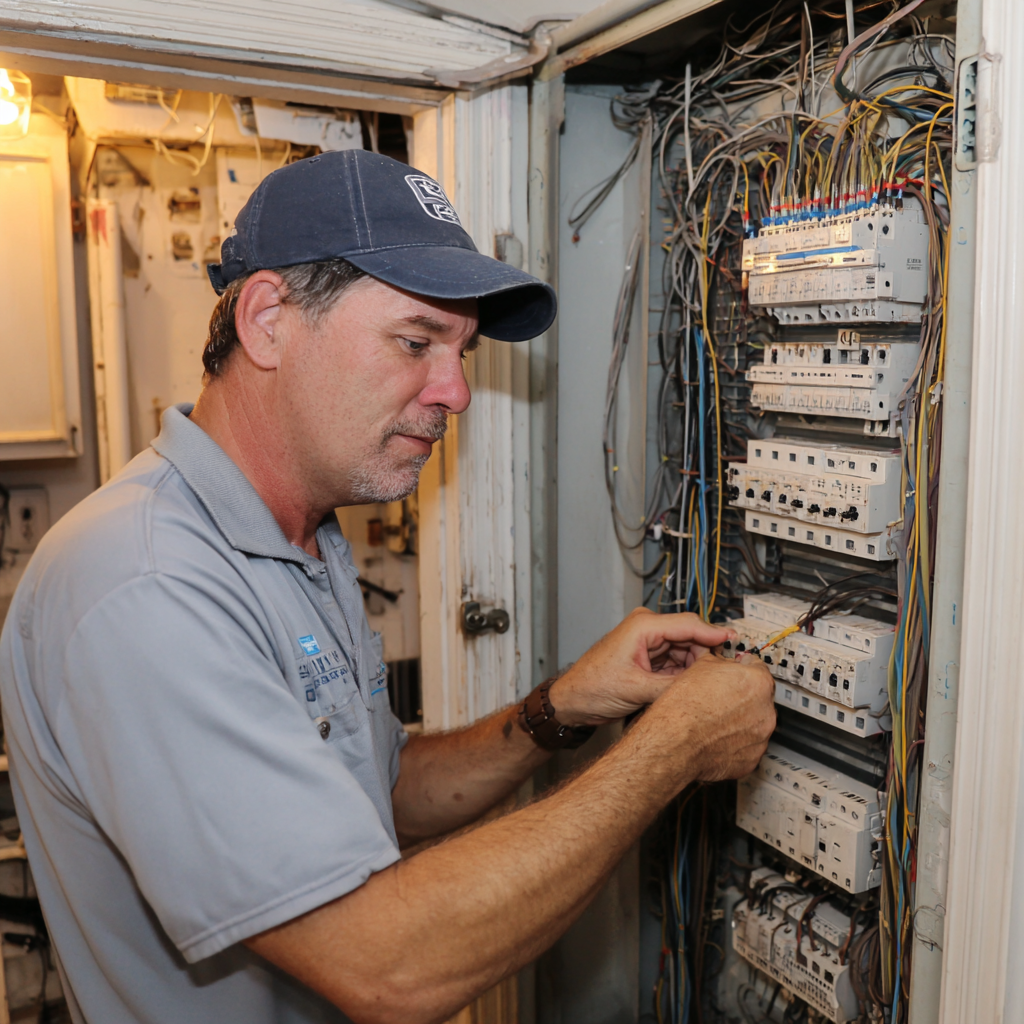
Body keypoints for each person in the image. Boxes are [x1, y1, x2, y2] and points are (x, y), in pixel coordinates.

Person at [0, 150, 774, 1024]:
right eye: (416, 342)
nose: (456, 392)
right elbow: (389, 967)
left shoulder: (306, 535)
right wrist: (669, 751)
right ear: (266, 321)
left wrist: (562, 707)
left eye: (462, 351)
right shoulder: (144, 585)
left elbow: (378, 794)